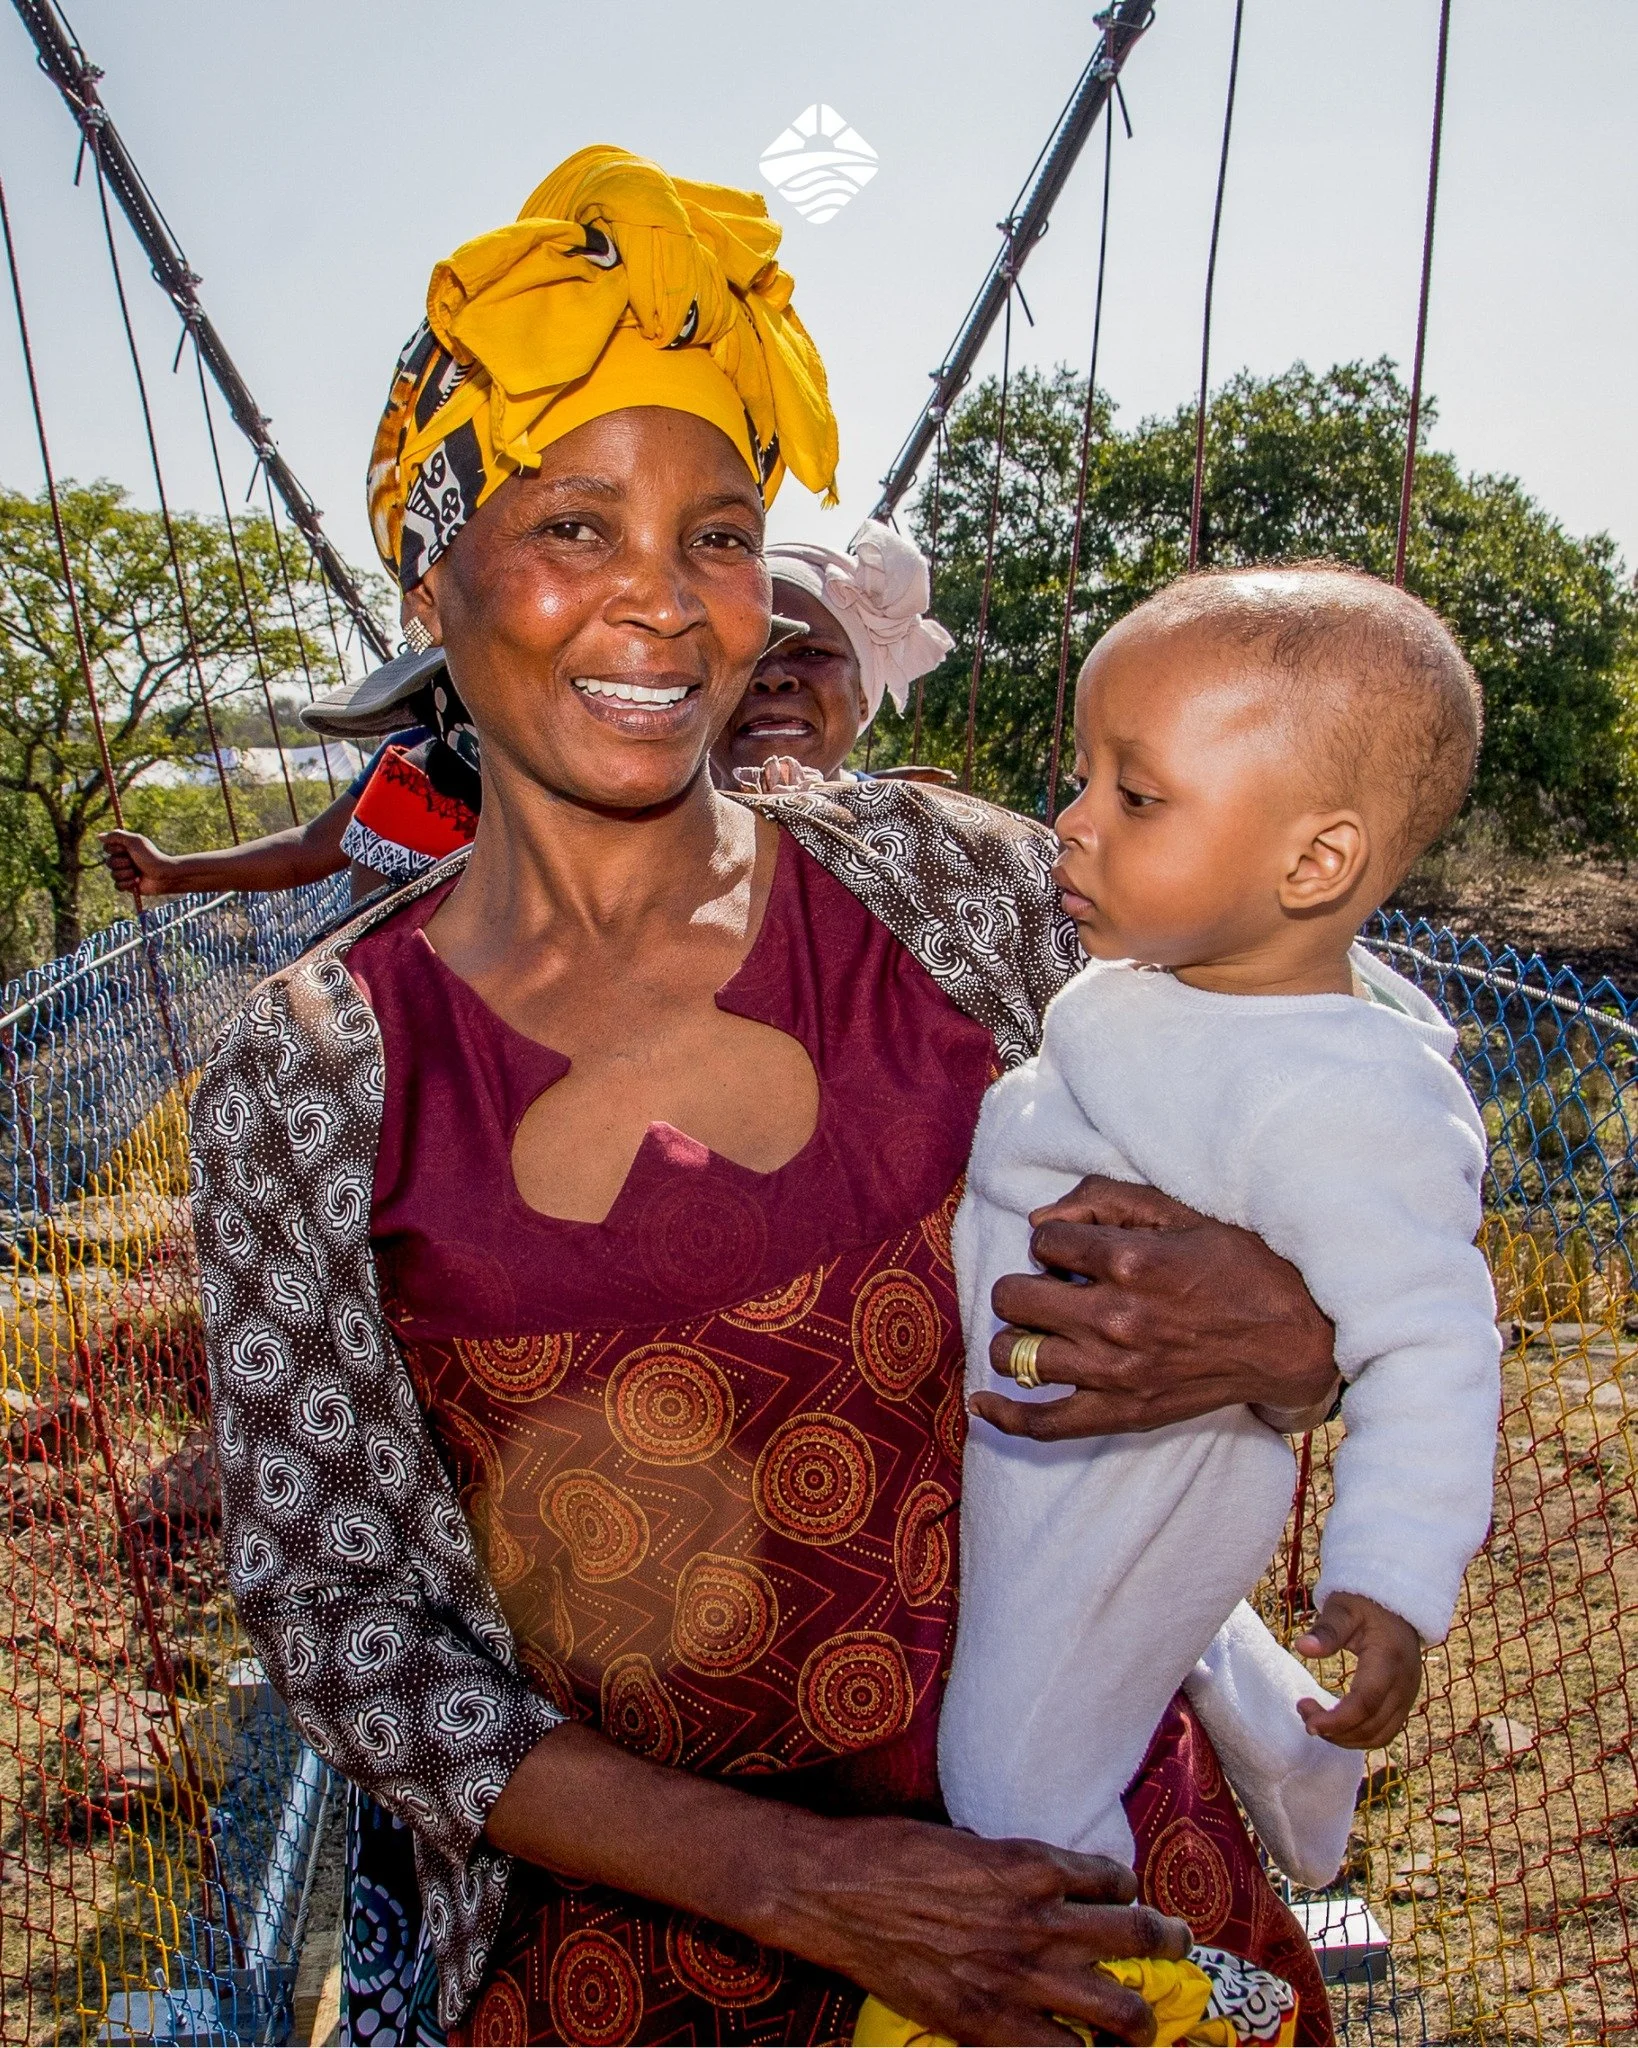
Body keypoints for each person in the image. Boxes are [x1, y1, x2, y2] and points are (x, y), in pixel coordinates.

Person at [192, 147, 1343, 2047]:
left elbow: (1333, 1122)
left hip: (1087, 1906)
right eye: (572, 526)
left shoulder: (953, 896)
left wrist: (1299, 1324)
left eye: (716, 532)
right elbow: (340, 1618)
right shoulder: (315, 1076)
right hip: (655, 1961)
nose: (662, 605)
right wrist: (806, 1884)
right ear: (431, 567)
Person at [937, 567, 1501, 2000]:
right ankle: (1299, 1749)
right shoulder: (1176, 978)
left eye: (1135, 798)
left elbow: (1431, 1342)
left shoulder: (1337, 1093)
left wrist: (1390, 1581)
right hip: (1066, 1447)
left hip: (1135, 1466)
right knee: (1159, 1635)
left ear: (1311, 866)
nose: (1067, 821)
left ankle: (1125, 2001)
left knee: (1003, 1772)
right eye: (1084, 778)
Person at [713, 523, 954, 792]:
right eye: (748, 652)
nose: (773, 677)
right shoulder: (659, 829)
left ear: (862, 695)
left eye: (812, 654)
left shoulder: (917, 825)